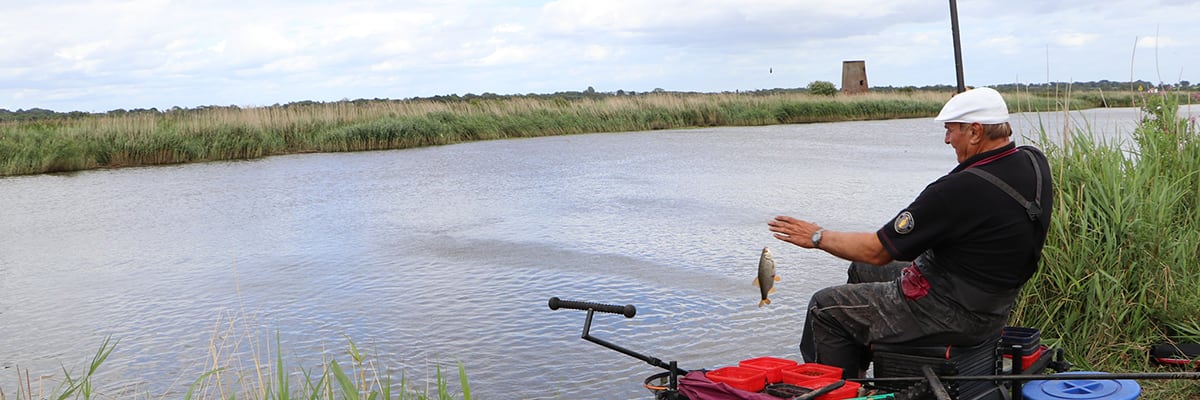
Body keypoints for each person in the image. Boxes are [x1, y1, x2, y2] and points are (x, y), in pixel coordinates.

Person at [766, 87, 1054, 379]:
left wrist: (818, 237)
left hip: (950, 312)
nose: (947, 139)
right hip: (992, 304)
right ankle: (867, 379)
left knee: (824, 308)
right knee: (861, 270)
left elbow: (878, 250)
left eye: (950, 129)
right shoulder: (1033, 162)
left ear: (976, 132)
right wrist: (974, 101)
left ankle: (837, 392)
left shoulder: (955, 191)